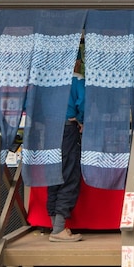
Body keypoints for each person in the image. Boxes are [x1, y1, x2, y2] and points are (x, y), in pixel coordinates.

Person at [47, 57, 85, 242]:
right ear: (75, 62)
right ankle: (59, 229)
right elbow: (84, 103)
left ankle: (56, 225)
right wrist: (81, 120)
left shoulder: (47, 80)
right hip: (66, 129)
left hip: (47, 129)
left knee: (53, 174)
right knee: (68, 174)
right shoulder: (76, 79)